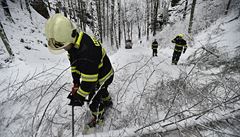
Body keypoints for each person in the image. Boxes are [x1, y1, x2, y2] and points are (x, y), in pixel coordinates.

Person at [44, 14, 114, 128]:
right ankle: (108, 101)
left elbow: (90, 82)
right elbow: (74, 65)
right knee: (102, 91)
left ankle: (98, 118)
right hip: (97, 74)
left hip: (104, 77)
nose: (63, 48)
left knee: (93, 100)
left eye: (63, 46)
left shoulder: (88, 50)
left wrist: (79, 97)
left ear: (70, 36)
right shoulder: (74, 44)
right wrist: (76, 83)